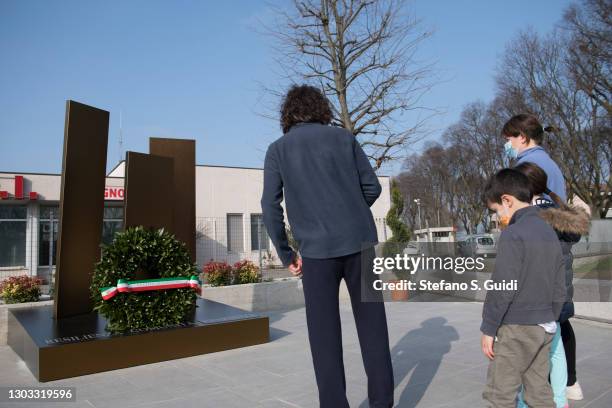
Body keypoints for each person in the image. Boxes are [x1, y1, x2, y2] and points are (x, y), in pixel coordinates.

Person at [260, 84, 394, 408]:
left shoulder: (278, 149)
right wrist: (352, 211)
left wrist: (286, 252)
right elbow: (371, 186)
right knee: (373, 329)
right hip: (359, 245)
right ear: (322, 109)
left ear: (288, 114)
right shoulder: (344, 138)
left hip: (316, 254)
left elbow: (269, 206)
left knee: (324, 338)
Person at [502, 114, 584, 400]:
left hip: (542, 252)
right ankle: (567, 385)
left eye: (509, 138)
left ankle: (553, 390)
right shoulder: (551, 164)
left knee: (547, 325)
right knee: (559, 320)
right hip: (557, 246)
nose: (507, 144)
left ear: (522, 137)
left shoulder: (529, 167)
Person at [480, 168, 566, 408]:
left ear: (507, 200)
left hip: (517, 328)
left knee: (500, 395)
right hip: (545, 325)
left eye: (496, 210)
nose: (498, 217)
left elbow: (503, 286)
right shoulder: (549, 232)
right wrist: (552, 315)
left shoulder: (513, 234)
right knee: (539, 393)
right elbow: (560, 283)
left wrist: (489, 327)